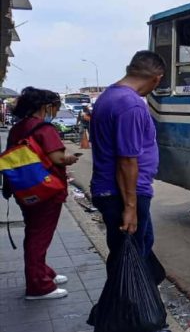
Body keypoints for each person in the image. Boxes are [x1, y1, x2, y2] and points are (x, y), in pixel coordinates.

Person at [89, 51, 164, 272]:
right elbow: (127, 160)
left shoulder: (109, 96)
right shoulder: (130, 104)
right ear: (157, 78)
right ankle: (121, 306)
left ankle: (141, 302)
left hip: (116, 191)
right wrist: (130, 207)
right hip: (123, 194)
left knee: (136, 256)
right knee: (128, 265)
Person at [5, 87, 79, 299]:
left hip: (24, 189)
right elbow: (57, 159)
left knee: (35, 232)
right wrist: (71, 158)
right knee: (39, 236)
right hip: (45, 190)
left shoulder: (18, 128)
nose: (55, 111)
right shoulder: (44, 128)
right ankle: (38, 286)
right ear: (46, 106)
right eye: (55, 106)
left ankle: (43, 272)